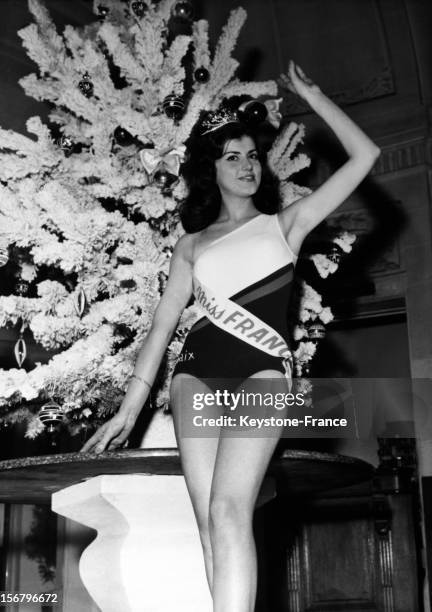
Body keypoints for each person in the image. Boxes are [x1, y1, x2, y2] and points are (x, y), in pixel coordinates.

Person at [81, 60, 380, 611]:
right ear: (211, 170)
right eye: (232, 157)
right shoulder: (190, 245)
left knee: (228, 511)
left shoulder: (286, 224)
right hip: (194, 375)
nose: (246, 166)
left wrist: (314, 98)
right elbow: (163, 325)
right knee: (207, 524)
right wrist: (129, 410)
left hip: (262, 370)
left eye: (252, 157)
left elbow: (367, 157)